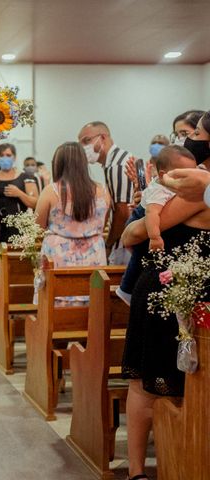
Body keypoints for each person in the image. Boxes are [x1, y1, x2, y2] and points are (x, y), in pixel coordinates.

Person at [120, 170, 210, 480]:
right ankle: (137, 470)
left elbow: (132, 234)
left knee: (182, 386)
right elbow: (133, 234)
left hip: (190, 291)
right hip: (166, 289)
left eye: (196, 132)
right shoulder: (192, 182)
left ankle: (179, 461)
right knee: (148, 381)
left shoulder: (200, 185)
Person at [116, 147, 197, 306]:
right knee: (140, 255)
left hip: (150, 219)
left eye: (192, 173)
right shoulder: (162, 190)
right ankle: (126, 289)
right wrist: (154, 237)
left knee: (141, 255)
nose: (190, 178)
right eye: (183, 174)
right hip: (143, 217)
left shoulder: (176, 186)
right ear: (163, 175)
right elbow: (152, 214)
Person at [35, 142, 109, 304]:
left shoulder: (51, 191)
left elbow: (37, 227)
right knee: (92, 305)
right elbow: (102, 224)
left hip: (59, 256)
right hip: (94, 254)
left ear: (58, 164)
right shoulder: (103, 191)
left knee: (55, 306)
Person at [78, 121, 133, 265]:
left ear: (102, 138)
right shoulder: (111, 163)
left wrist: (108, 244)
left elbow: (123, 211)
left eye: (87, 141)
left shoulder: (117, 165)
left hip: (125, 242)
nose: (83, 147)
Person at [0, 143, 39, 242]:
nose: (5, 158)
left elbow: (36, 203)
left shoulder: (26, 178)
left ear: (14, 157)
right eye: (2, 155)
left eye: (8, 155)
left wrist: (19, 194)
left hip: (19, 229)